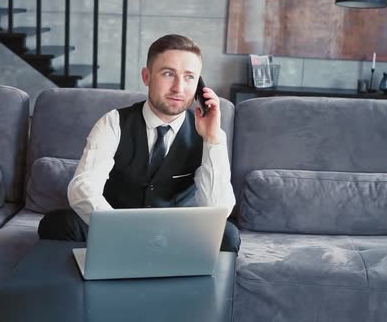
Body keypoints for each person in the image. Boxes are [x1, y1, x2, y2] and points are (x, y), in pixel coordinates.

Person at [38, 34, 240, 252]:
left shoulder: (208, 135)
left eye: (189, 77)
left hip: (173, 232)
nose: (178, 88)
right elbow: (82, 188)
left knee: (227, 234)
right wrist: (126, 232)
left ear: (200, 85)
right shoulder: (113, 122)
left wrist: (212, 140)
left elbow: (217, 210)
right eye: (168, 74)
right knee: (57, 224)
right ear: (147, 76)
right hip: (114, 225)